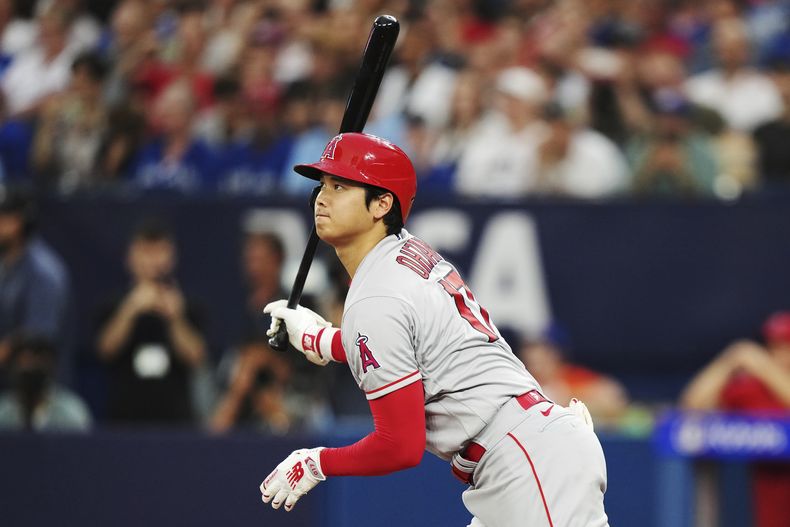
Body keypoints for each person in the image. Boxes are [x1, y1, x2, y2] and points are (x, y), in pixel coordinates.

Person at [258, 132, 609, 526]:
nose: (322, 198)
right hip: (524, 450)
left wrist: (318, 462)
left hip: (526, 459)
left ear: (382, 203)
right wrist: (318, 338)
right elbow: (404, 343)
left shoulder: (377, 295)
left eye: (340, 186)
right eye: (322, 185)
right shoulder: (405, 253)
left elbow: (400, 446)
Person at [680, 311, 790, 527]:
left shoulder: (769, 377)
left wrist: (765, 368)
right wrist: (728, 362)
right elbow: (691, 405)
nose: (782, 354)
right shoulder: (756, 390)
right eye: (775, 346)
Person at [95, 217, 206, 424]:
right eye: (146, 251)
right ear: (130, 257)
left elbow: (196, 357)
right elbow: (105, 351)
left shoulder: (188, 306)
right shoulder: (113, 305)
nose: (153, 260)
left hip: (176, 423)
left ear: (172, 257)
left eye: (160, 251)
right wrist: (131, 309)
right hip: (124, 421)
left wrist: (175, 319)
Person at [0, 187, 70, 385]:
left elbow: (36, 343)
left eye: (3, 218)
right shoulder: (7, 262)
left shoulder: (43, 272)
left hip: (41, 396)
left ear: (20, 221)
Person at [518, 323, 629, 428]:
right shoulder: (523, 381)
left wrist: (566, 396)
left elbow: (612, 398)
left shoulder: (572, 377)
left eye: (541, 359)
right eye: (530, 360)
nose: (535, 366)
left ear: (555, 354)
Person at [0, 332, 91, 431]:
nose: (32, 367)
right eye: (26, 361)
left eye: (39, 361)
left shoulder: (71, 411)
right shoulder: (2, 410)